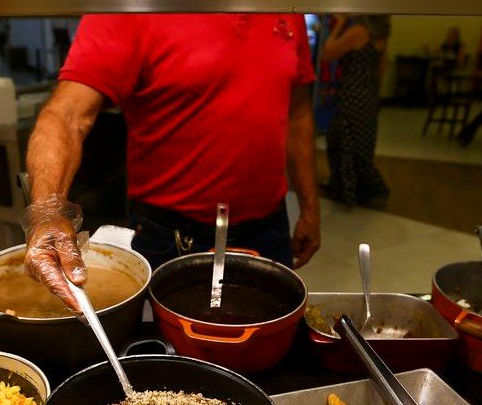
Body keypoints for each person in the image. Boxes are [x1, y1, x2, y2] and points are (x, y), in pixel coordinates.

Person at [22, 14, 321, 311]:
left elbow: (298, 110)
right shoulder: (132, 10)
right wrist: (47, 211)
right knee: (164, 340)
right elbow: (66, 115)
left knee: (276, 332)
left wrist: (309, 207)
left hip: (270, 230)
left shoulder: (284, 9)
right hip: (171, 238)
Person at [322, 14, 391, 208]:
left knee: (341, 138)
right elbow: (382, 68)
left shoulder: (359, 32)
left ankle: (344, 188)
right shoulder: (381, 36)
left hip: (352, 93)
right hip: (369, 95)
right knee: (361, 143)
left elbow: (327, 53)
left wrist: (340, 23)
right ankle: (363, 189)